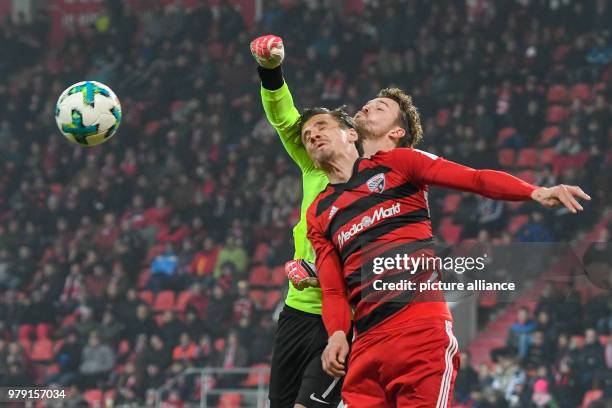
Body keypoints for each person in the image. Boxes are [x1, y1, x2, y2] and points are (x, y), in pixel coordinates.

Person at [298, 106, 589, 406]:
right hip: (366, 345)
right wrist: (335, 334)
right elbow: (333, 289)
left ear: (351, 134)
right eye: (307, 135)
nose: (313, 135)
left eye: (321, 126)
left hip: (419, 332)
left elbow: (474, 179)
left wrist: (534, 192)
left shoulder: (399, 163)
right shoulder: (318, 212)